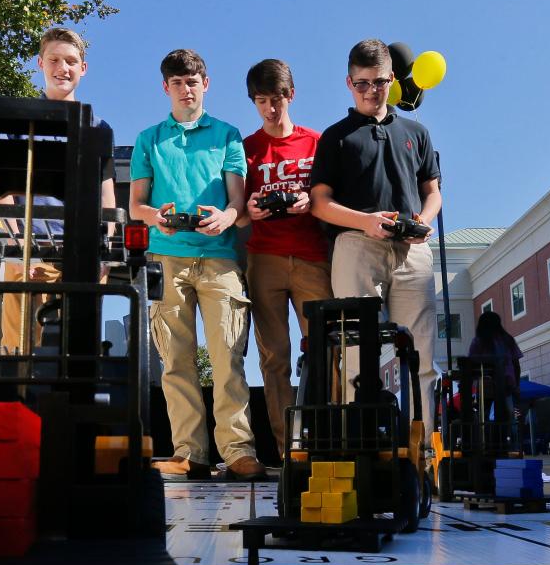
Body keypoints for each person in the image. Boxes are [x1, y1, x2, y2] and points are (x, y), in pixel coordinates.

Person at [129, 49, 266, 482]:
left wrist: (226, 217)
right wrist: (158, 217)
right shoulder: (149, 139)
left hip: (220, 259)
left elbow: (237, 204)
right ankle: (190, 452)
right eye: (177, 82)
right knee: (176, 361)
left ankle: (239, 451)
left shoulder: (228, 135)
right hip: (166, 257)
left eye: (193, 81)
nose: (186, 89)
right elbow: (136, 205)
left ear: (205, 84)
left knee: (228, 356)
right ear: (165, 87)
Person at [309, 38, 441, 440]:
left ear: (391, 80)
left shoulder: (416, 132)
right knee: (356, 356)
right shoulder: (335, 137)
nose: (371, 91)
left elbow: (432, 191)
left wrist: (424, 220)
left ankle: (423, 453)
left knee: (421, 357)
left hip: (411, 251)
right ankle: (359, 446)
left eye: (379, 82)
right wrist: (365, 222)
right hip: (356, 247)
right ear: (349, 83)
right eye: (362, 83)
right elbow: (319, 203)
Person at [235, 59, 333, 458]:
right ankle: (288, 447)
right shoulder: (247, 148)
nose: (270, 109)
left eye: (276, 99)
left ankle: (328, 440)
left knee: (327, 351)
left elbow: (332, 198)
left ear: (291, 95)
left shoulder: (316, 142)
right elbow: (238, 210)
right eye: (261, 101)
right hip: (265, 258)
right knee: (274, 355)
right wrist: (253, 210)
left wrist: (311, 199)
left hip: (312, 256)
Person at [0, 27, 116, 351]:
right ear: (40, 63)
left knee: (79, 350)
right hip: (29, 251)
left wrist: (105, 248)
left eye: (70, 61)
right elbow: (5, 193)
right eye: (54, 59)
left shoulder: (97, 128)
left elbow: (106, 195)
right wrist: (18, 246)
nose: (62, 68)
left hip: (82, 253)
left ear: (83, 68)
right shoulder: (18, 124)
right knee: (19, 348)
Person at [468, 310, 522, 423]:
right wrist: (516, 385)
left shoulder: (478, 342)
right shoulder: (508, 340)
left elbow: (470, 365)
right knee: (508, 418)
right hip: (507, 385)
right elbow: (516, 365)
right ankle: (507, 437)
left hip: (485, 387)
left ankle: (489, 437)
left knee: (485, 419)